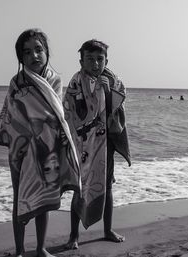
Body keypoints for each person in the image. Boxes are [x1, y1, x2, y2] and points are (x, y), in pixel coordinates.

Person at [0, 29, 80, 257]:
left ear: (46, 52)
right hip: (21, 150)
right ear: (21, 58)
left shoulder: (55, 80)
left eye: (39, 49)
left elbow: (55, 115)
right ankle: (20, 250)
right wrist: (25, 137)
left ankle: (41, 248)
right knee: (20, 199)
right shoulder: (17, 83)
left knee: (45, 198)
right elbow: (12, 116)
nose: (34, 55)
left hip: (47, 149)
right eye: (27, 52)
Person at [63, 39, 131, 249]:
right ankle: (73, 235)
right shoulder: (75, 82)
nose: (95, 64)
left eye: (99, 59)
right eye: (89, 59)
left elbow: (117, 111)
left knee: (107, 185)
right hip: (82, 144)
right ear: (81, 60)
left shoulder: (112, 80)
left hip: (105, 144)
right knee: (80, 188)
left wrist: (108, 92)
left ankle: (108, 229)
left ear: (106, 60)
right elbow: (69, 111)